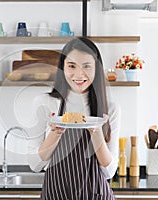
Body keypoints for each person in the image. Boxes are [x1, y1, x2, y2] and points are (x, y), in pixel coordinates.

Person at [27, 37, 120, 200]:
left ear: (96, 69)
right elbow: (35, 165)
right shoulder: (44, 103)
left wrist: (97, 133)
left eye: (86, 66)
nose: (79, 74)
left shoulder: (109, 109)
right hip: (55, 194)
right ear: (62, 68)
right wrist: (55, 134)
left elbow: (108, 171)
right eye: (71, 66)